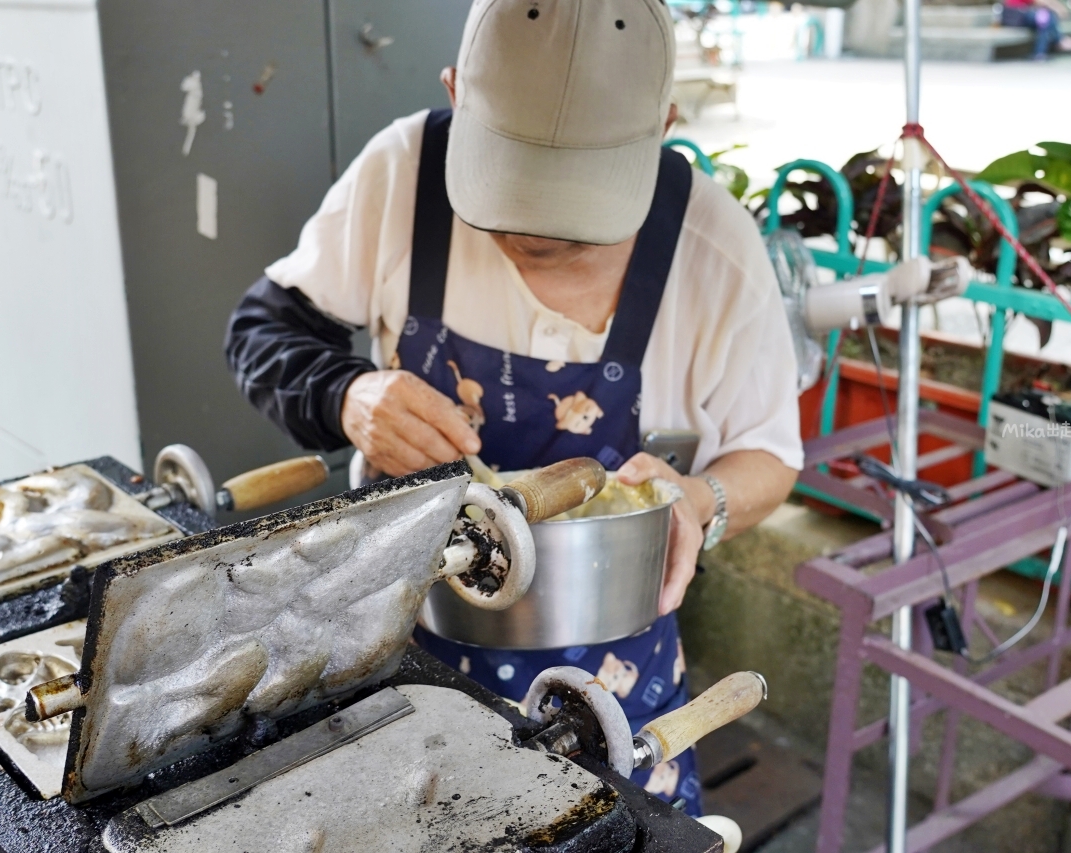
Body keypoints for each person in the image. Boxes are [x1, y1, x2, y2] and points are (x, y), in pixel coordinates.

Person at [225, 0, 802, 816]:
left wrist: (703, 499)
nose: (536, 228)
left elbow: (770, 457)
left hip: (609, 686)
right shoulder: (404, 172)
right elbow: (263, 327)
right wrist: (349, 394)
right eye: (510, 189)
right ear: (458, 94)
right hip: (404, 641)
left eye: (576, 207)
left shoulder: (711, 244)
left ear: (663, 126)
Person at [1000, 0, 1071, 59]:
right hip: (1014, 15)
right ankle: (1058, 40)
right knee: (1045, 18)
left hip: (1022, 13)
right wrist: (1059, 9)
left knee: (1045, 18)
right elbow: (1041, 2)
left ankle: (1041, 52)